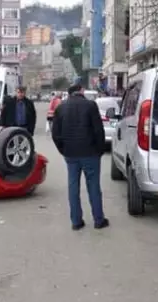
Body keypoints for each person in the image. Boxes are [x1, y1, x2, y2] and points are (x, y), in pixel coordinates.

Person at [51, 84, 108, 231]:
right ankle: (98, 220)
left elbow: (55, 133)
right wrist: (100, 150)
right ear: (81, 91)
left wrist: (63, 150)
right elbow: (98, 131)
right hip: (90, 153)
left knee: (73, 187)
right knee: (94, 186)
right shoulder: (90, 105)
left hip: (71, 154)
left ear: (69, 94)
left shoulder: (61, 107)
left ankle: (76, 221)